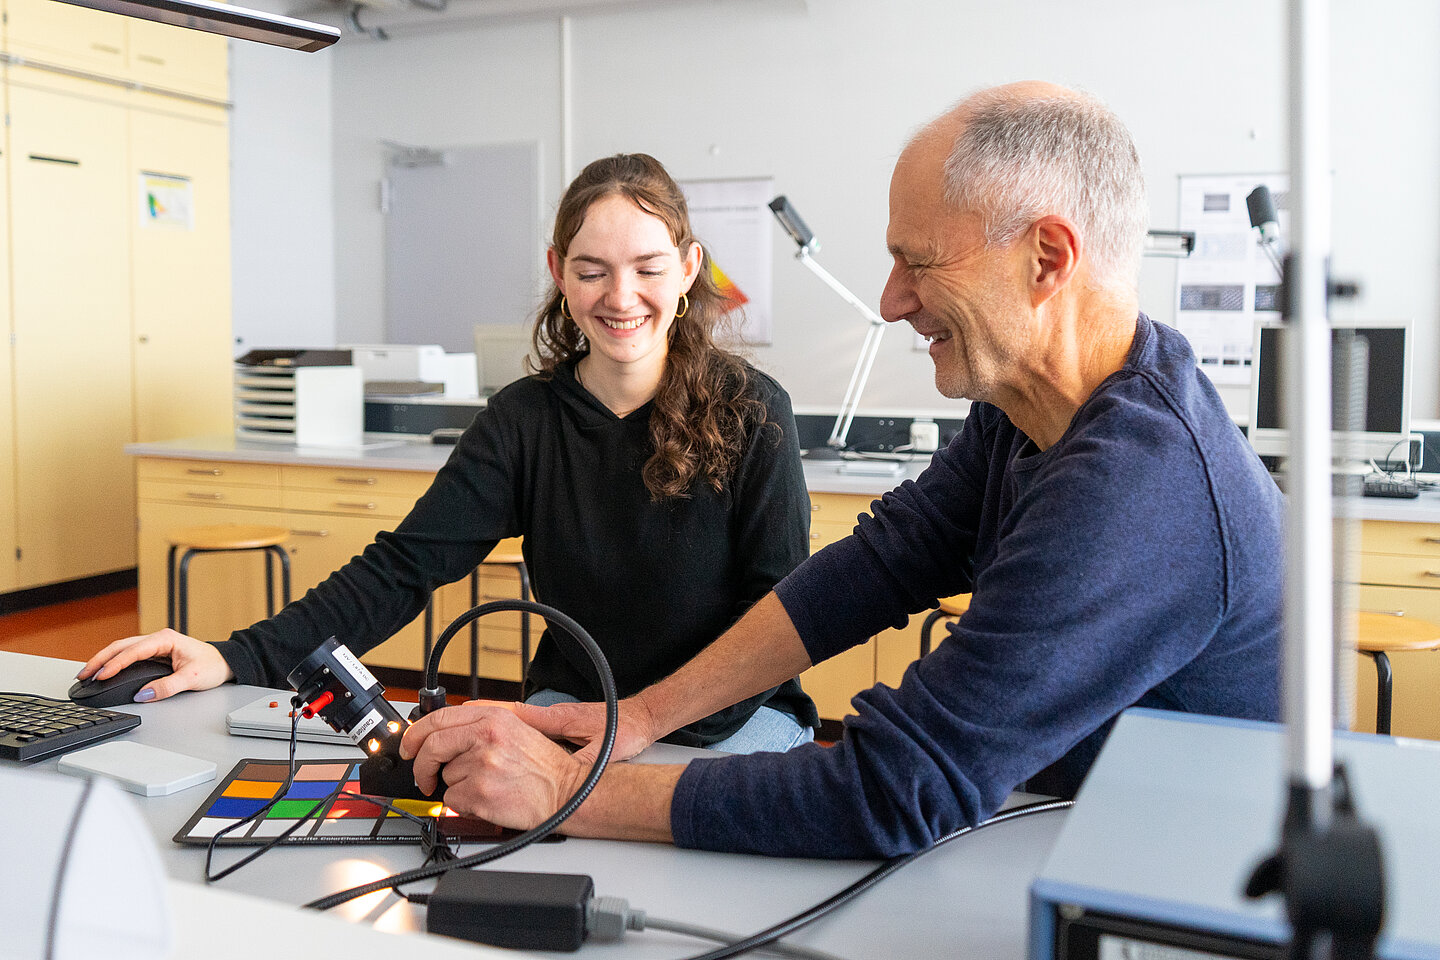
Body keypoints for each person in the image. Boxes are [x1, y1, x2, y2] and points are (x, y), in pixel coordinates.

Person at [395, 82, 1284, 858]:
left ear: (1047, 259)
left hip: (1184, 881)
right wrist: (646, 716)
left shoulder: (1140, 488)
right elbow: (884, 563)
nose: (893, 299)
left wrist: (565, 791)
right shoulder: (1036, 410)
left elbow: (898, 786)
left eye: (917, 262)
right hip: (1068, 822)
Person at [80, 153, 819, 754]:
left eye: (648, 268)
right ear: (560, 273)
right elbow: (402, 569)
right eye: (593, 270)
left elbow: (779, 615)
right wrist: (235, 655)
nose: (621, 296)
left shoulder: (755, 412)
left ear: (689, 268)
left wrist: (651, 727)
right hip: (578, 705)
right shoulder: (525, 420)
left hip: (731, 713)